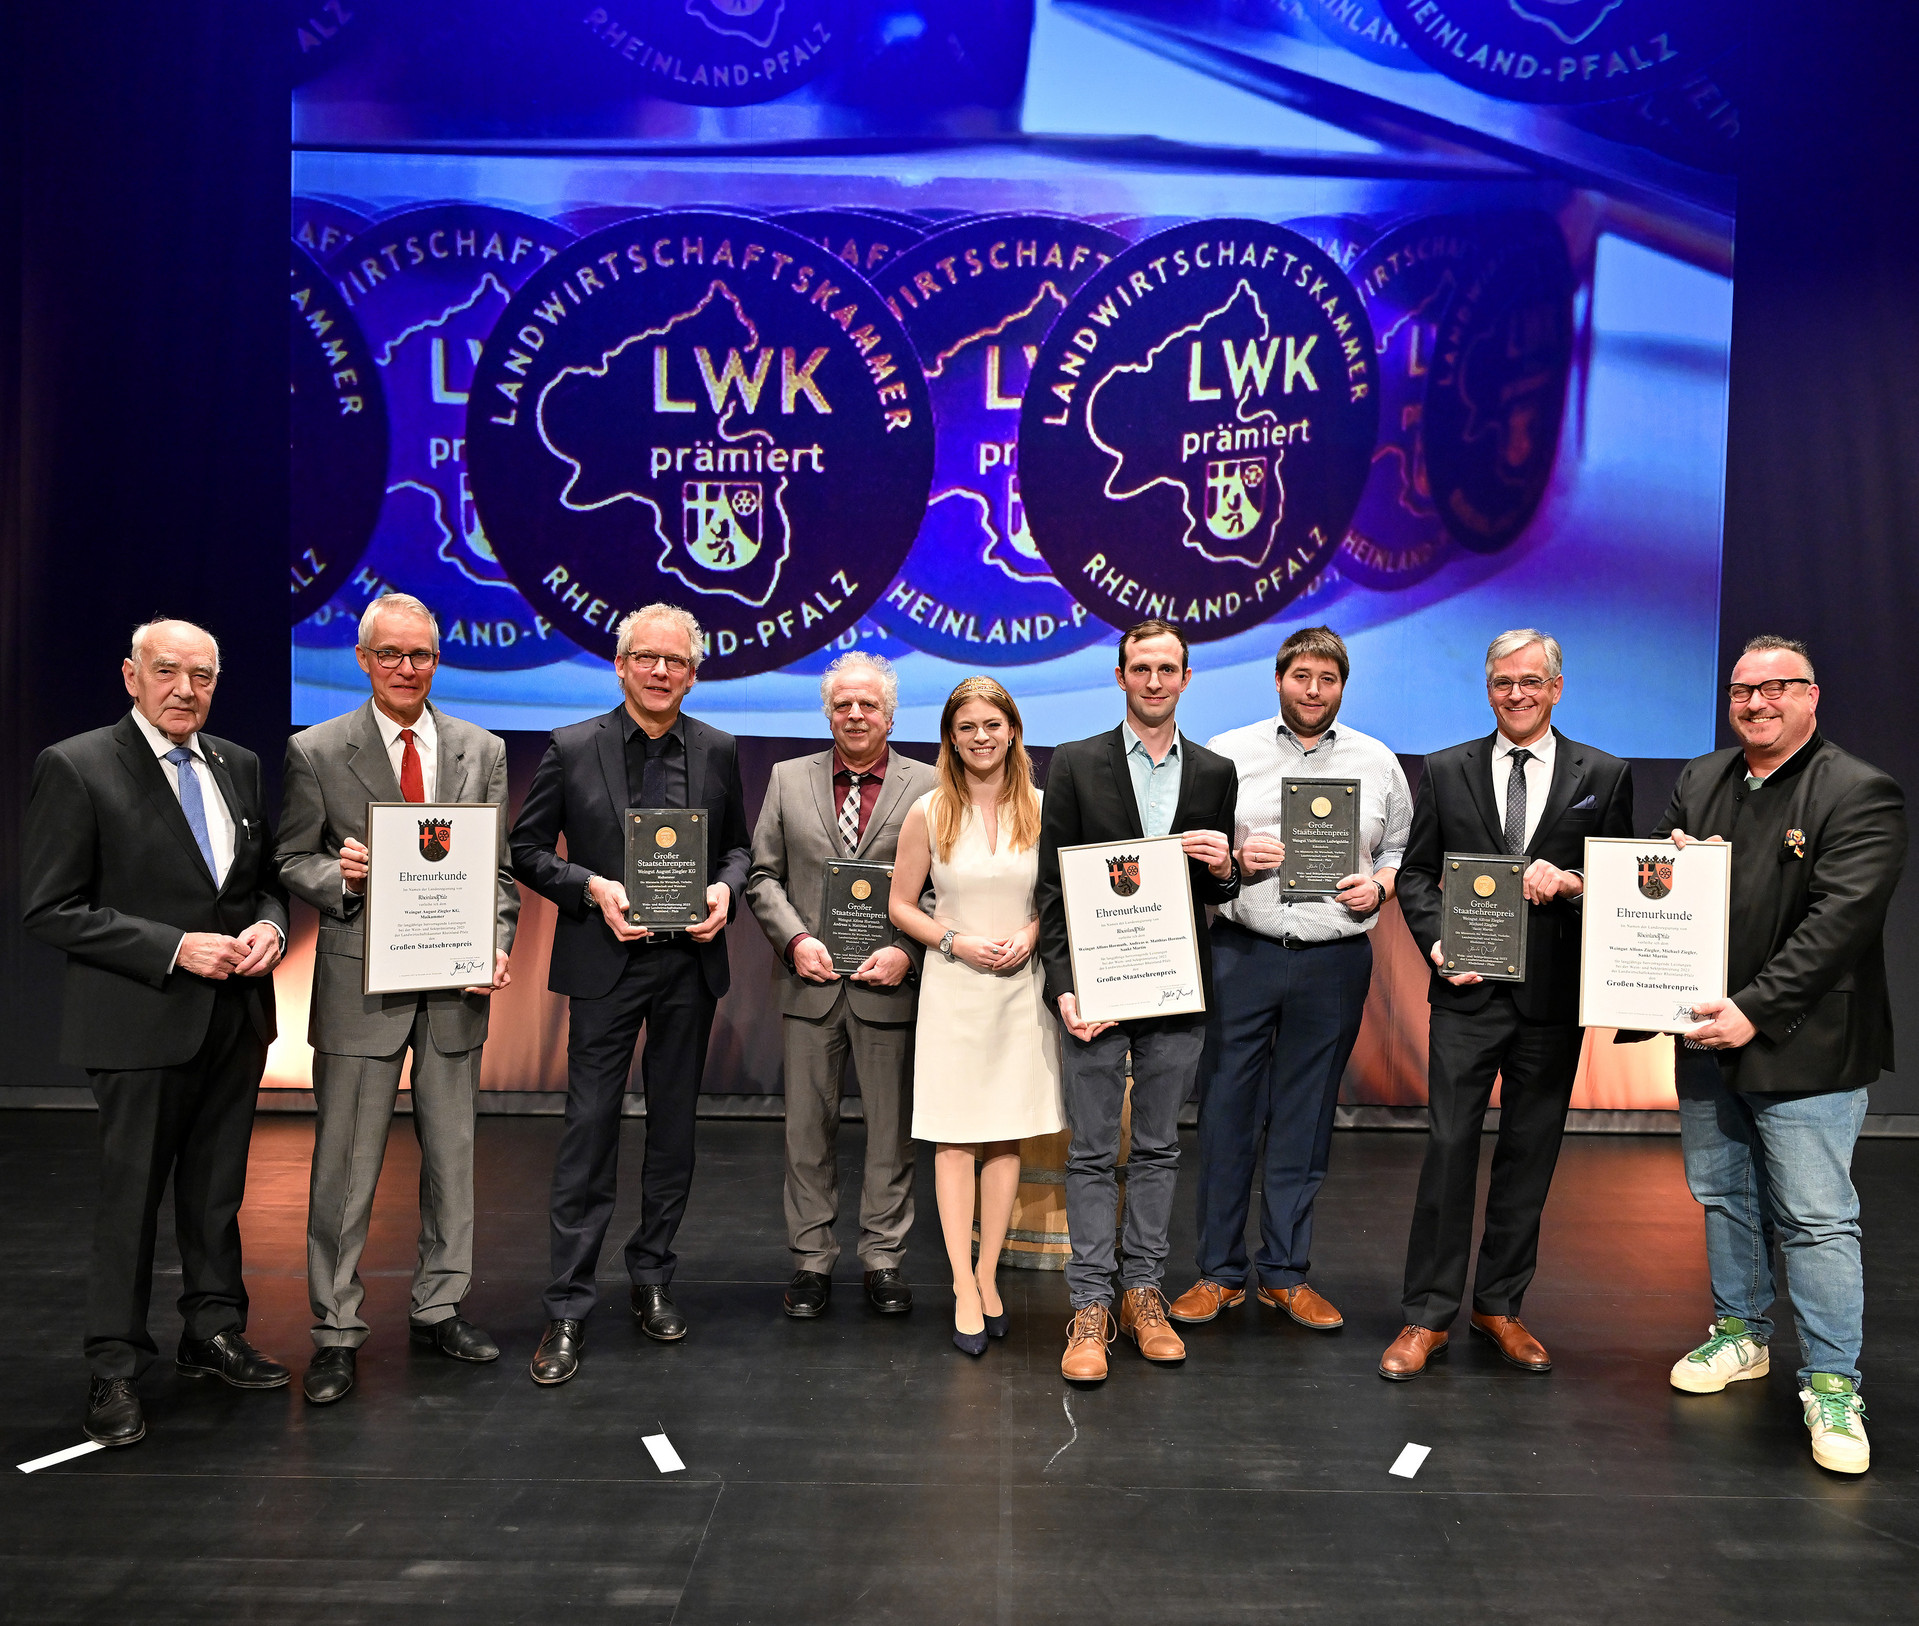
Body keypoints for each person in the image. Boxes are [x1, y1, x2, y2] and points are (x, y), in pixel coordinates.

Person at [22, 619, 289, 1446]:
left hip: (235, 1020)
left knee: (216, 1196)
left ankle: (212, 1333)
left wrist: (273, 928)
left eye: (202, 676)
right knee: (130, 1204)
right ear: (131, 675)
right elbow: (51, 907)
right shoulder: (77, 765)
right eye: (169, 672)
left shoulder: (237, 764)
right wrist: (173, 948)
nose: (186, 690)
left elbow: (262, 880)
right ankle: (113, 1367)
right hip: (138, 1022)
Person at [1656, 636, 1904, 1474]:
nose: (1754, 704)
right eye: (1739, 691)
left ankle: (1833, 1381)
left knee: (1813, 1218)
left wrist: (1752, 1013)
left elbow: (1837, 927)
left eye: (1772, 690)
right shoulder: (1701, 780)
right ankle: (1741, 1334)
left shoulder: (1859, 791)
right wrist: (1660, 870)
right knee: (1723, 1196)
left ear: (1811, 696)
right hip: (1704, 1029)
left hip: (1807, 1044)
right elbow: (1658, 887)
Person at [275, 592, 520, 1405]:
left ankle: (439, 1306)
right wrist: (333, 876)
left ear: (437, 660)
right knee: (345, 1169)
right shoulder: (316, 750)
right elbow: (289, 860)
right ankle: (337, 1330)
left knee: (452, 1162)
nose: (406, 669)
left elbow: (497, 873)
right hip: (360, 986)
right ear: (362, 659)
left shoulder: (478, 749)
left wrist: (495, 943)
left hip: (453, 986)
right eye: (391, 655)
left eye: (420, 655)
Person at [509, 603, 751, 1384]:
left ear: (692, 672)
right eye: (644, 658)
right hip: (605, 963)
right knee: (589, 1131)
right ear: (620, 666)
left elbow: (740, 847)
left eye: (674, 661)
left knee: (673, 1133)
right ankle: (568, 1308)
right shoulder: (572, 746)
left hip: (688, 966)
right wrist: (591, 888)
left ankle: (652, 1278)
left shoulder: (717, 750)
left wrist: (723, 890)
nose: (658, 671)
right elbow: (526, 850)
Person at [1383, 628, 1633, 1380]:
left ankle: (1499, 1306)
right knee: (1449, 1150)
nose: (1515, 694)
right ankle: (1425, 1315)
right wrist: (1433, 943)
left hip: (1552, 1000)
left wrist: (1575, 883)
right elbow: (1419, 876)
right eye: (1501, 683)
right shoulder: (1445, 768)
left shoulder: (1607, 774)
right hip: (1464, 996)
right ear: (1487, 688)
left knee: (1530, 1156)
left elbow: (1618, 879)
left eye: (1530, 682)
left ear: (1555, 687)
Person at [1169, 627, 1412, 1334]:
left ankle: (1284, 1273)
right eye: (1301, 676)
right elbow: (1199, 853)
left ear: (1342, 687)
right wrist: (1237, 858)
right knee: (1224, 1114)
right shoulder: (1227, 753)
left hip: (1333, 961)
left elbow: (1397, 846)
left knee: (1305, 1120)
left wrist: (1383, 887)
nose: (1313, 690)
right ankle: (1217, 1273)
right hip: (1242, 952)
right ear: (1278, 679)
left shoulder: (1378, 761)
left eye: (1327, 680)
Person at [1035, 620, 1240, 1382]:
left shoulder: (1215, 772)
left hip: (1175, 990)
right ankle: (1089, 1305)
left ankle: (1143, 1293)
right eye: (1140, 669)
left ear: (1185, 679)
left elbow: (1216, 888)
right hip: (1096, 991)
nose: (1153, 682)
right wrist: (1064, 986)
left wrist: (1224, 870)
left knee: (1156, 1148)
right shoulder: (1076, 764)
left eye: (1167, 669)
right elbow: (1052, 889)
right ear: (1118, 676)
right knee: (1091, 1153)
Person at [745, 653, 937, 1318]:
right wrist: (795, 939)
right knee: (806, 1131)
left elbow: (944, 884)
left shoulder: (930, 784)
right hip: (810, 983)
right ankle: (810, 1261)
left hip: (889, 986)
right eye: (842, 705)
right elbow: (761, 875)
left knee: (890, 1133)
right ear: (827, 711)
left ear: (890, 714)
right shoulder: (786, 779)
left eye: (868, 705)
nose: (855, 715)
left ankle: (883, 1259)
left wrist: (908, 951)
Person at [889, 677, 1064, 1355]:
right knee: (954, 1137)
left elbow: (1055, 896)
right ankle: (962, 1282)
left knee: (1005, 1137)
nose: (981, 737)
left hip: (1021, 987)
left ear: (1012, 731)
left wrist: (1031, 933)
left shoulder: (1045, 810)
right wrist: (952, 940)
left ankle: (989, 1274)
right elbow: (901, 904)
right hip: (955, 985)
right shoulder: (927, 812)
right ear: (950, 737)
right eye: (967, 727)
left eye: (992, 724)